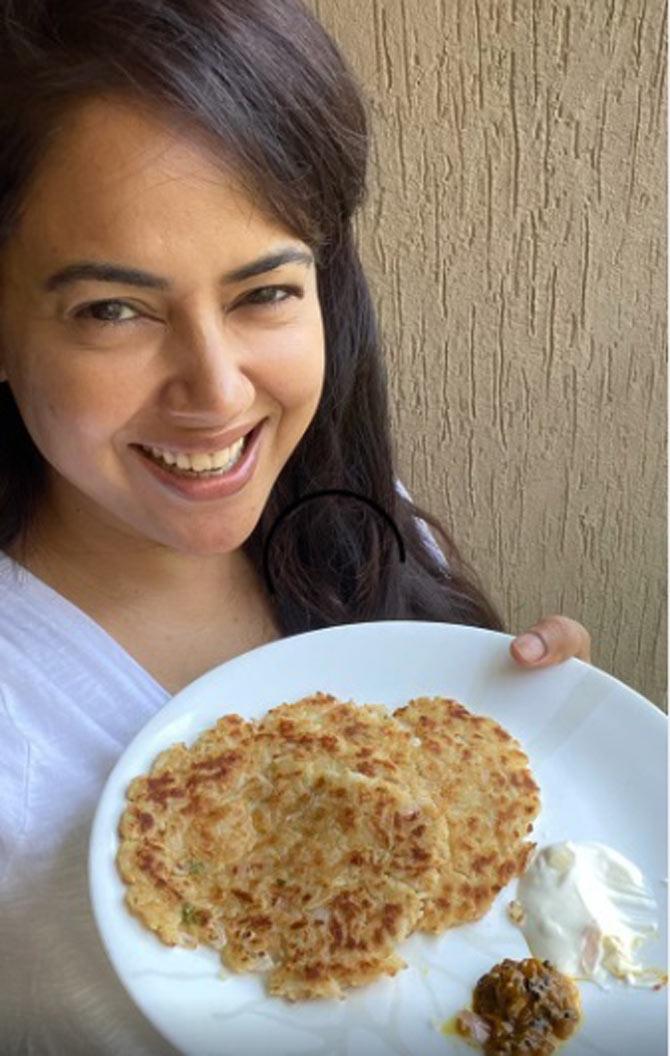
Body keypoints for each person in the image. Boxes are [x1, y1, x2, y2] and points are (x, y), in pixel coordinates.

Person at [0, 1, 590, 1052]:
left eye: (264, 291)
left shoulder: (365, 527)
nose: (216, 394)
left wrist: (546, 740)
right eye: (114, 310)